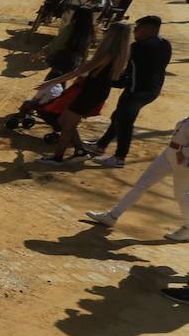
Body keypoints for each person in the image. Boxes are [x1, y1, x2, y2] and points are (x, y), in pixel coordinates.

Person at [36, 21, 132, 164]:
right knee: (64, 121)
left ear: (112, 35)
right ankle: (80, 150)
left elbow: (79, 71)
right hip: (96, 92)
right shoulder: (120, 53)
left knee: (67, 125)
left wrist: (52, 81)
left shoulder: (107, 54)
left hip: (90, 93)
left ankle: (58, 158)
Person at [86, 113, 189, 241]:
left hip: (183, 161)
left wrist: (184, 154)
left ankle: (188, 228)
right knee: (142, 184)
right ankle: (112, 216)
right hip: (169, 154)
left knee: (181, 194)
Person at [90, 15, 172, 167]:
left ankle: (120, 157)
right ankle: (101, 145)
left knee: (124, 121)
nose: (135, 32)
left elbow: (123, 65)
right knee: (118, 116)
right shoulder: (165, 44)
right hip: (152, 90)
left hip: (136, 90)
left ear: (148, 29)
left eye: (137, 29)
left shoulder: (139, 47)